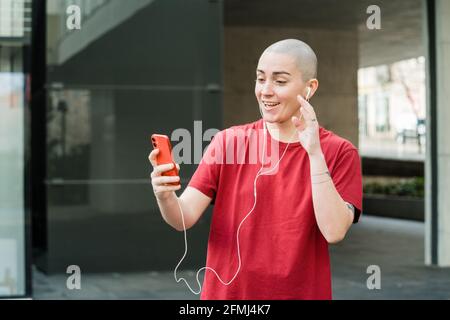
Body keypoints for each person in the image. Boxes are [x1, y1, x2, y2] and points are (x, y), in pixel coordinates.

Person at [148, 39, 362, 300]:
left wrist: (314, 153)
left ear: (309, 88)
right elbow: (183, 218)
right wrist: (165, 196)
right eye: (261, 79)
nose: (266, 91)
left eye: (280, 81)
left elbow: (334, 231)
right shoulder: (228, 142)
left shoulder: (340, 152)